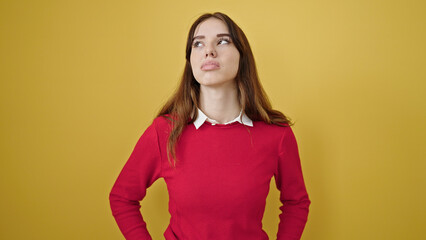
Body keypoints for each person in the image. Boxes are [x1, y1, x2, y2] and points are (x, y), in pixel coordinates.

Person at [109, 12, 311, 240]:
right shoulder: (164, 131)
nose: (209, 50)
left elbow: (296, 201)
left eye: (222, 41)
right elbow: (122, 197)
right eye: (198, 43)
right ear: (191, 61)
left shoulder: (277, 134)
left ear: (242, 56)